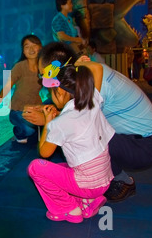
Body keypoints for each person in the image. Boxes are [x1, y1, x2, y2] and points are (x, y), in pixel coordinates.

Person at [23, 42, 152, 203]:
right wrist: (46, 111)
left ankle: (120, 182)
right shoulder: (84, 76)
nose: (43, 81)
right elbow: (77, 109)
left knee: (82, 136)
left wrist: (49, 120)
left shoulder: (93, 83)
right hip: (139, 140)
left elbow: (81, 121)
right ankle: (103, 178)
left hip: (145, 147)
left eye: (43, 75)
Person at [28, 63, 114, 223]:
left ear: (59, 91)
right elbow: (97, 68)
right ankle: (88, 202)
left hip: (89, 185)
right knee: (61, 168)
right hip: (104, 179)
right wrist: (77, 65)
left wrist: (48, 122)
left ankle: (68, 209)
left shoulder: (62, 122)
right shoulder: (92, 99)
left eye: (50, 92)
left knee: (36, 168)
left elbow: (44, 152)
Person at [0, 34, 43, 144]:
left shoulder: (43, 67)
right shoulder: (19, 67)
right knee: (29, 130)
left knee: (47, 124)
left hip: (36, 107)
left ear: (40, 47)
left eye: (34, 45)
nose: (31, 49)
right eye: (27, 46)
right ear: (23, 51)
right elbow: (8, 85)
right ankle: (17, 131)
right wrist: (0, 96)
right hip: (18, 109)